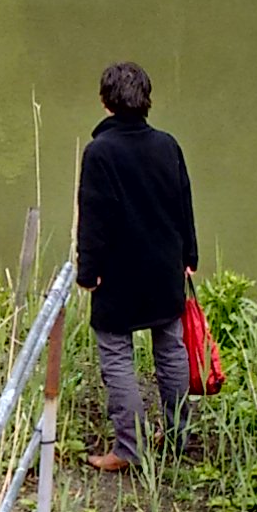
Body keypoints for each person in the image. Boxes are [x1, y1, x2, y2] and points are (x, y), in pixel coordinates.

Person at [73, 59, 197, 472]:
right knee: (171, 349)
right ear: (146, 100)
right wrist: (189, 257)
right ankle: (178, 436)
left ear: (105, 102)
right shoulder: (168, 145)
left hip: (119, 275)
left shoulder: (100, 152)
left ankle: (129, 449)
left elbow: (93, 219)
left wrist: (87, 274)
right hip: (165, 269)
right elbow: (185, 205)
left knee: (116, 353)